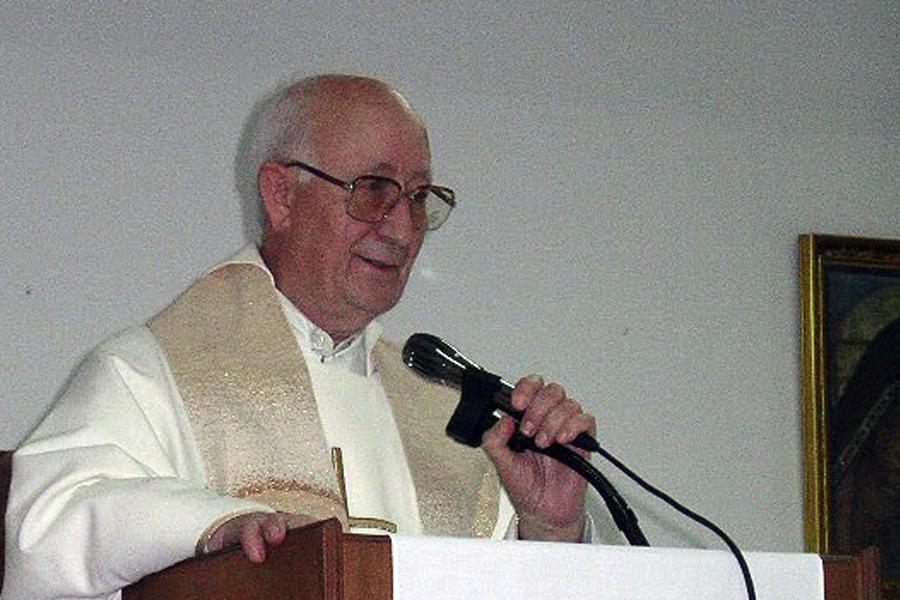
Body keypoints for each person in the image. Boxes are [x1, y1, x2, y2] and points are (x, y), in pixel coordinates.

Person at [2, 74, 595, 600]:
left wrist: (548, 530)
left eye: (418, 198)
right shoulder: (149, 374)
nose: (403, 227)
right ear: (281, 194)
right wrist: (215, 527)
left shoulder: (446, 414)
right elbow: (48, 528)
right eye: (374, 190)